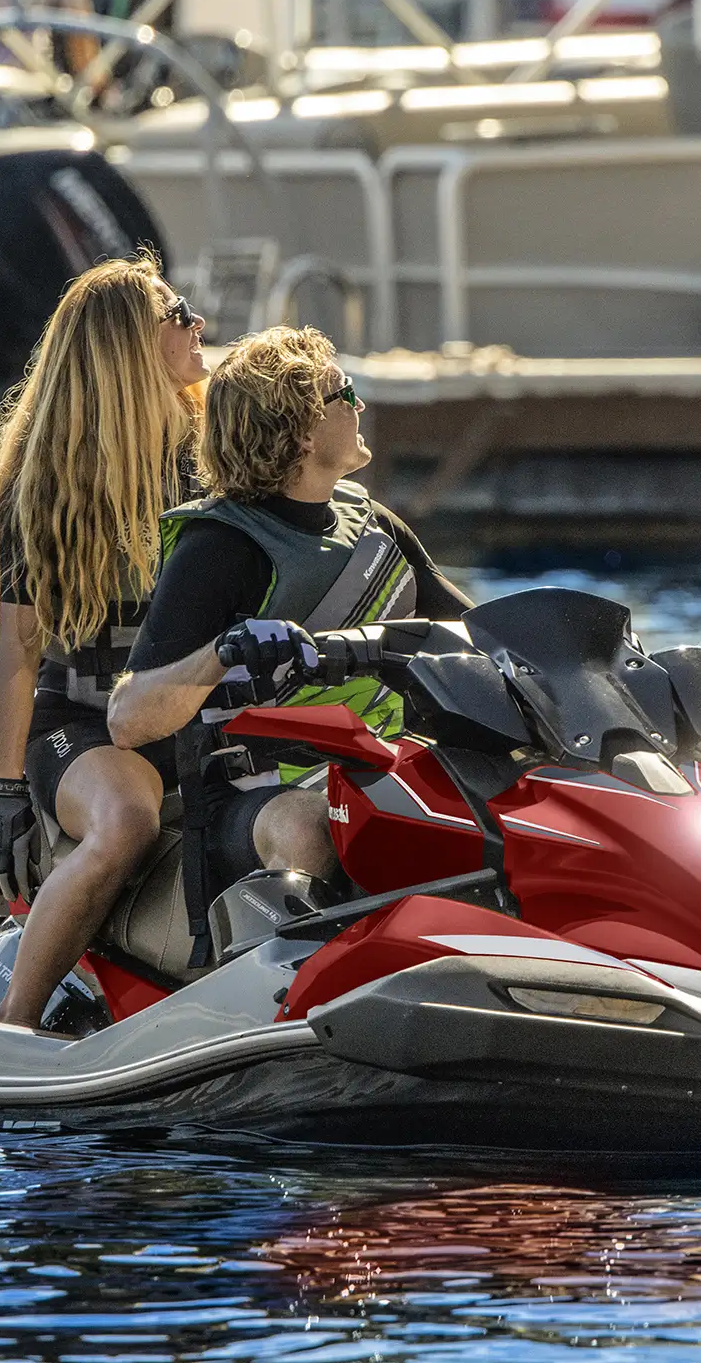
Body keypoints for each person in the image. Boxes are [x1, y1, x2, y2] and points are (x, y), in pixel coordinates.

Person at [101, 328, 472, 950]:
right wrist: (224, 651)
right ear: (301, 429)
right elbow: (129, 718)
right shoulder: (219, 547)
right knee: (311, 827)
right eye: (343, 393)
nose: (358, 407)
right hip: (253, 798)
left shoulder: (375, 525)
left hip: (382, 769)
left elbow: (478, 632)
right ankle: (286, 1001)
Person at [0, 255, 206, 1028]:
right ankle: (12, 1030)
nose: (199, 324)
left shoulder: (212, 461)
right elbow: (20, 657)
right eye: (179, 314)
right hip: (84, 730)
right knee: (128, 819)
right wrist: (5, 790)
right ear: (129, 349)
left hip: (195, 729)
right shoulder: (48, 486)